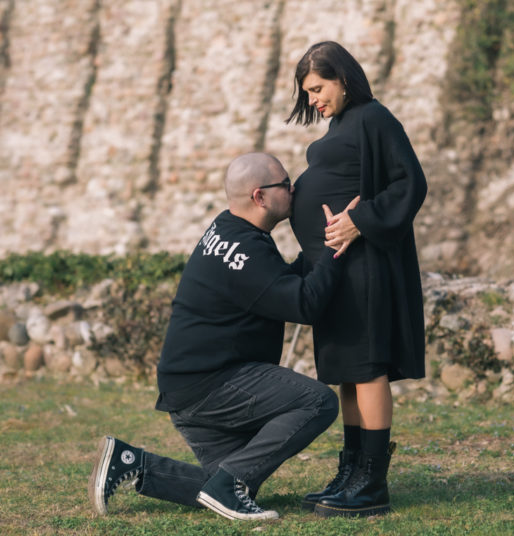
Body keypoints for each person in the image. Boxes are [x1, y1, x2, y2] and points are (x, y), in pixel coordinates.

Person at [88, 152, 358, 522]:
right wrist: (335, 246)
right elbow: (305, 305)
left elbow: (276, 286)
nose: (293, 189)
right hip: (211, 387)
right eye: (285, 183)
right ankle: (227, 484)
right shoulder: (246, 251)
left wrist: (315, 254)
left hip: (187, 390)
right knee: (318, 403)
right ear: (260, 197)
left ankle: (132, 463)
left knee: (224, 484)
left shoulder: (231, 230)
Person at [286, 41, 427, 517]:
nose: (313, 100)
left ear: (343, 78)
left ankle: (372, 482)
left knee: (367, 370)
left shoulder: (374, 118)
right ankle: (351, 471)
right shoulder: (340, 123)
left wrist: (360, 220)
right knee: (348, 373)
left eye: (318, 88)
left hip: (364, 267)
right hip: (337, 272)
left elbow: (410, 182)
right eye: (307, 93)